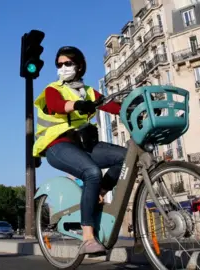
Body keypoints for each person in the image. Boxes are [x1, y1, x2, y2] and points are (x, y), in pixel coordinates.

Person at [32, 46, 126, 255]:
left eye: (67, 63)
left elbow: (113, 106)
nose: (62, 68)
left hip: (82, 145)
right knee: (91, 171)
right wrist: (77, 105)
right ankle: (87, 238)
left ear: (79, 65)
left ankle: (100, 191)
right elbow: (57, 105)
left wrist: (137, 106)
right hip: (56, 145)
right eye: (59, 64)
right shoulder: (52, 89)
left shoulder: (89, 91)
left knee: (125, 157)